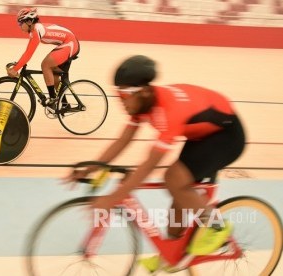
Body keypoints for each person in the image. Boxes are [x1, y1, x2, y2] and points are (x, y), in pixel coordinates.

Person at [64, 55, 246, 273]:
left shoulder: (169, 111)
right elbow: (124, 140)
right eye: (117, 94)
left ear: (144, 91)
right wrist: (93, 166)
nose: (120, 100)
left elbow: (150, 163)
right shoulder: (142, 105)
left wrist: (113, 198)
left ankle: (218, 228)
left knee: (174, 179)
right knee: (180, 195)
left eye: (123, 94)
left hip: (226, 135)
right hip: (201, 135)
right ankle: (175, 254)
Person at [6, 7, 80, 111]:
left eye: (20, 23)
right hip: (68, 43)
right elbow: (27, 52)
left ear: (29, 21)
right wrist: (18, 65)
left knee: (45, 65)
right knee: (54, 77)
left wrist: (15, 69)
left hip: (70, 43)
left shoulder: (36, 30)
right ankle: (64, 104)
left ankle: (53, 100)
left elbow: (28, 54)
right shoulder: (35, 30)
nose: (19, 26)